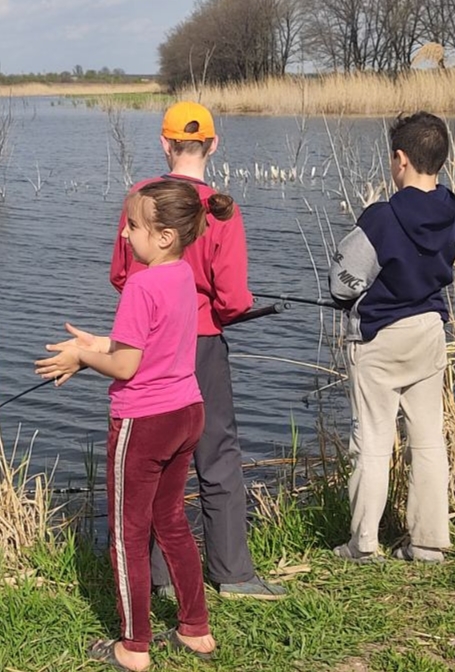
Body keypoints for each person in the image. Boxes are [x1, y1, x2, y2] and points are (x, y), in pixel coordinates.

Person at [35, 180, 230, 671]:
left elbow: (126, 366)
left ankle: (133, 646)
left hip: (144, 421)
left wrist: (83, 356)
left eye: (133, 225)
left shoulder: (141, 284)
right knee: (172, 520)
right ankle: (196, 630)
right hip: (187, 411)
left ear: (164, 236)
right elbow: (148, 342)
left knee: (127, 533)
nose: (124, 233)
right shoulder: (183, 275)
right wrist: (98, 343)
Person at [110, 100, 285, 600]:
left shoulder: (140, 201)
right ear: (213, 145)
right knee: (217, 453)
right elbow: (233, 299)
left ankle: (159, 578)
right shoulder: (221, 209)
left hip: (145, 346)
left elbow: (121, 276)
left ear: (164, 143)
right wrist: (223, 307)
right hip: (202, 344)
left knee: (150, 460)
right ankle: (232, 573)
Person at [329, 111, 455, 564]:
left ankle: (363, 543)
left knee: (372, 441)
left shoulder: (382, 218)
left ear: (400, 159)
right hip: (429, 331)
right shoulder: (450, 210)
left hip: (380, 336)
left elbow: (342, 284)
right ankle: (428, 542)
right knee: (428, 439)